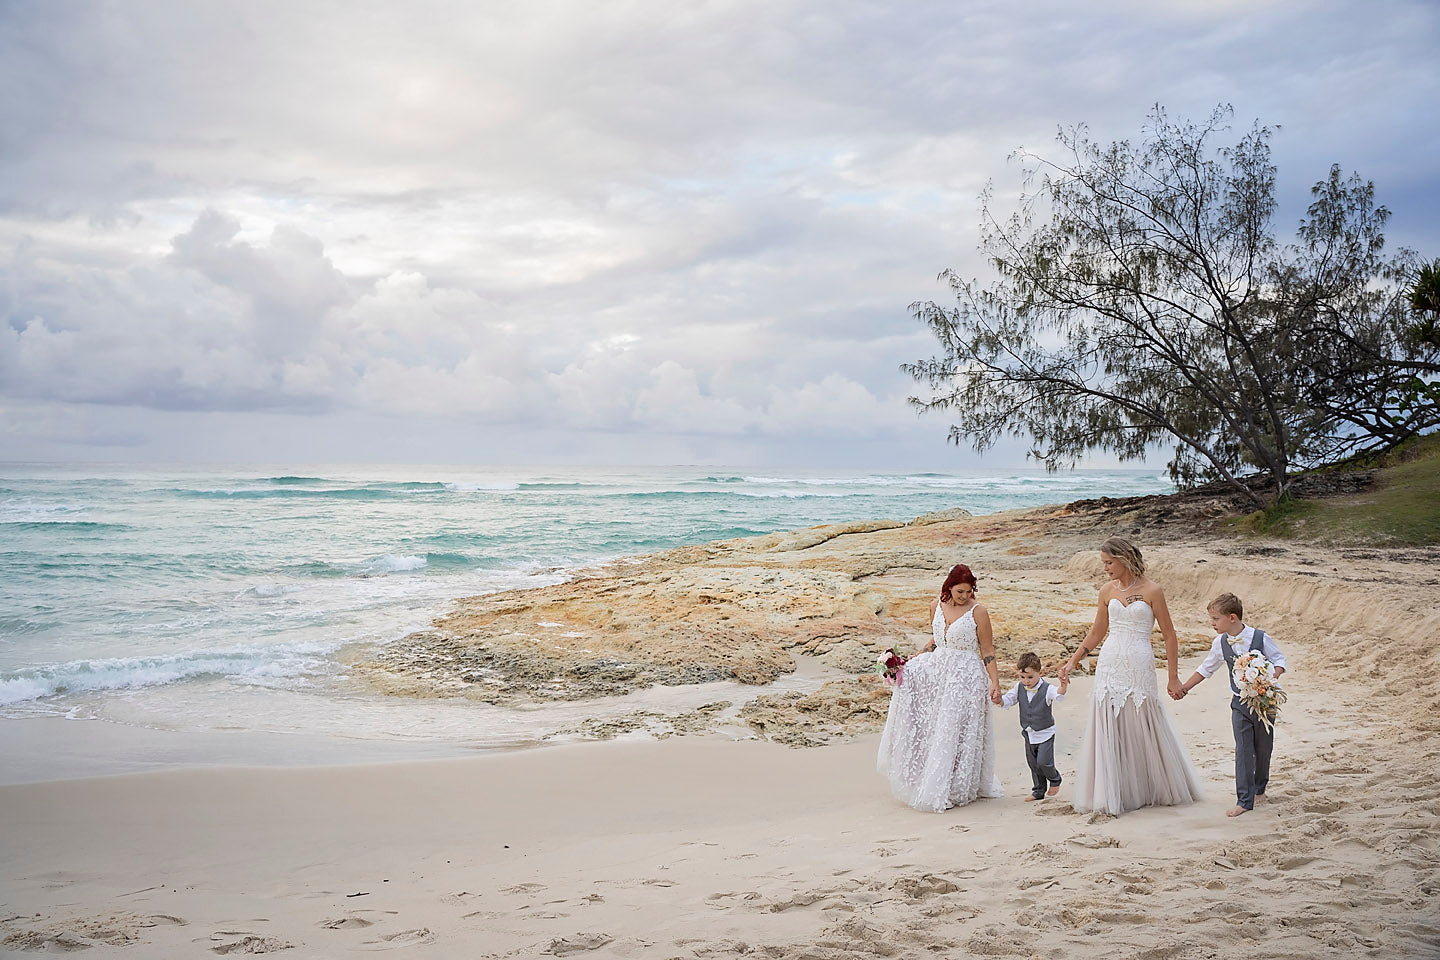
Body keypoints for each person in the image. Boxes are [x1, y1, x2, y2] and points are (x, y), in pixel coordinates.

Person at [1059, 538, 1202, 816]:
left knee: (1141, 721)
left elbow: (1170, 636)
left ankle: (1146, 788)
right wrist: (1073, 660)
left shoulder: (1153, 590)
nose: (1105, 569)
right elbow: (1097, 632)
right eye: (1103, 563)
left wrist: (1173, 677)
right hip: (1110, 663)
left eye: (1109, 563)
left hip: (1139, 663)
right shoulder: (1106, 591)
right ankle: (1115, 790)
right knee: (1108, 721)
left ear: (1124, 559)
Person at [877, 564, 1004, 812]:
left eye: (969, 591)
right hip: (939, 672)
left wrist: (995, 682)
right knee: (934, 726)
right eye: (960, 592)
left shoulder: (978, 612)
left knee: (955, 729)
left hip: (965, 677)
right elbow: (937, 639)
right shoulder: (935, 606)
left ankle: (957, 784)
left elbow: (987, 650)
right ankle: (926, 776)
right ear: (948, 587)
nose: (965, 596)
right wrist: (913, 659)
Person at [1177, 593, 1288, 817]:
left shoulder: (1260, 637)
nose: (1212, 623)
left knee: (1263, 748)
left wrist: (1271, 680)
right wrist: (1185, 687)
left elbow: (1279, 660)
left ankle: (1260, 788)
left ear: (1232, 618)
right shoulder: (1220, 643)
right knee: (1244, 750)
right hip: (1239, 703)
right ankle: (1244, 800)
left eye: (1215, 619)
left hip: (1265, 703)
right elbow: (1206, 668)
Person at [1000, 651, 1068, 801]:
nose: (1026, 681)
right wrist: (999, 699)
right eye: (1022, 677)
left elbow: (1059, 694)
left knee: (1044, 762)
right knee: (1033, 765)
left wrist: (1063, 685)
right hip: (1029, 733)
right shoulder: (1019, 688)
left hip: (1045, 732)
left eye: (1030, 677)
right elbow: (1008, 699)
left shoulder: (1047, 689)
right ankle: (1038, 791)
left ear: (1040, 672)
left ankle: (1055, 779)